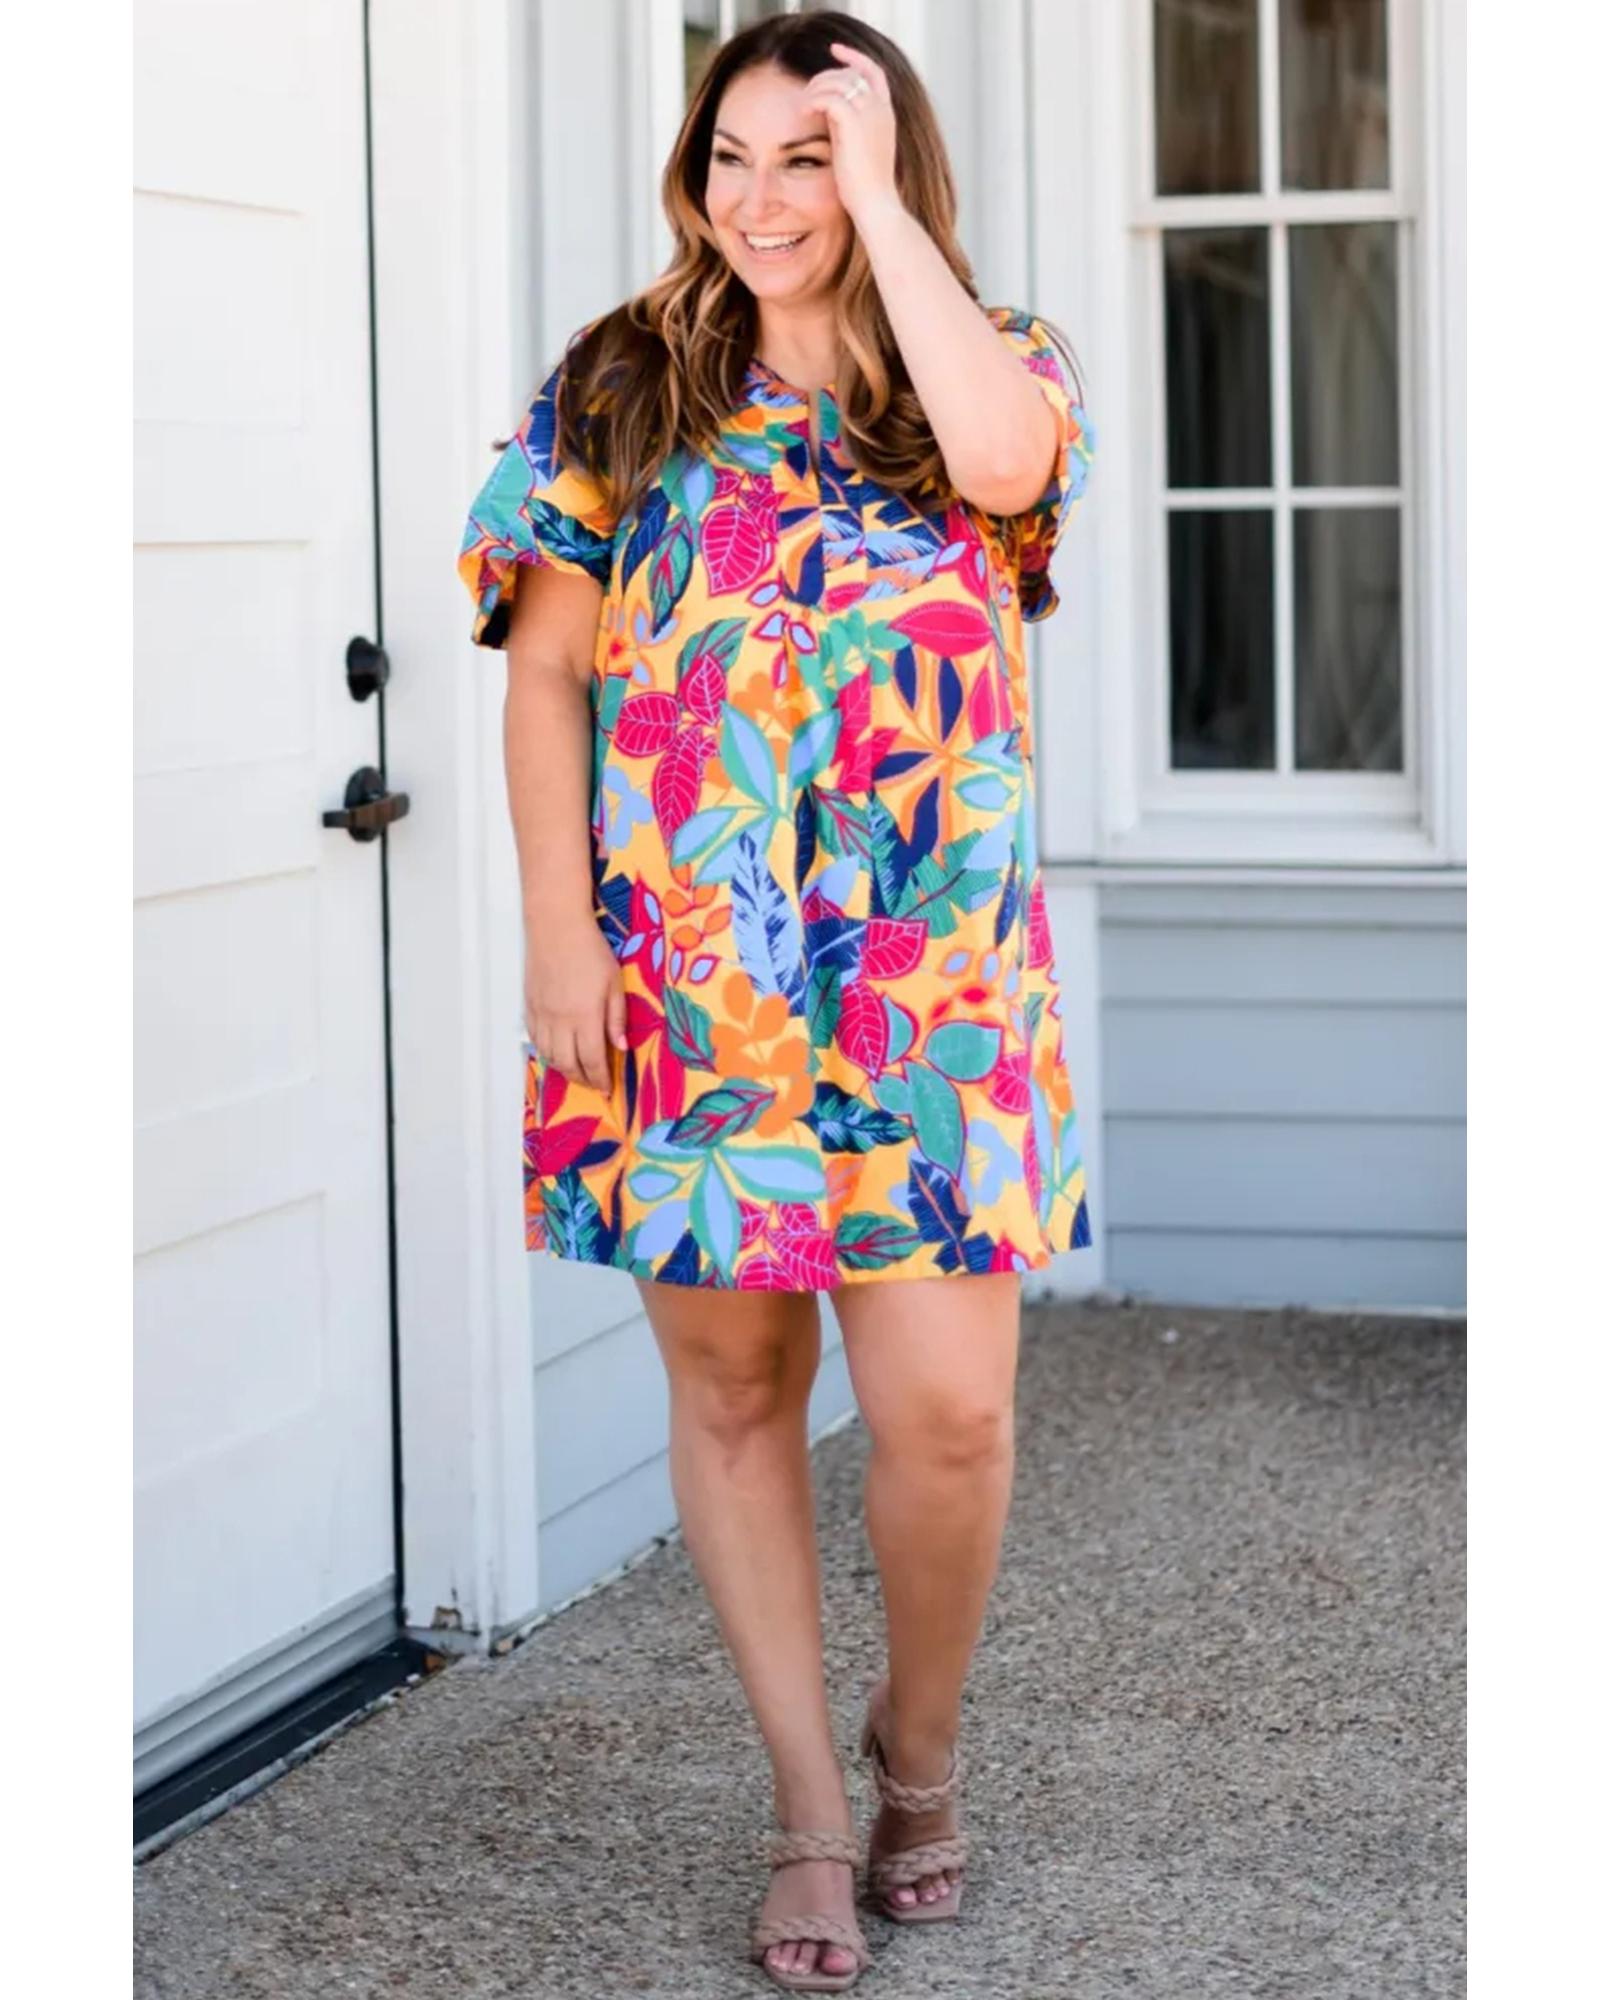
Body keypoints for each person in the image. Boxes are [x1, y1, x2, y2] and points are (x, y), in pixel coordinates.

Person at [457, 10, 1095, 1990]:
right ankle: (813, 1808)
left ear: (885, 167)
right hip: (688, 984)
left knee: (949, 1418)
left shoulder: (994, 366)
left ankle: (922, 1748)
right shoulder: (623, 383)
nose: (757, 198)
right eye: (729, 156)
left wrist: (878, 204)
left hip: (931, 994)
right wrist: (558, 938)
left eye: (803, 155)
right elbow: (546, 672)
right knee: (734, 1390)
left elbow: (1006, 465)